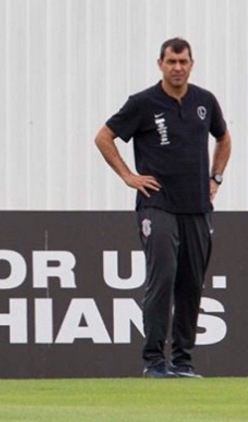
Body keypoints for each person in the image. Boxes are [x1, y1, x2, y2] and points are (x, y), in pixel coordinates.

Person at [94, 37, 231, 379]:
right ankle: (154, 361)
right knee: (163, 276)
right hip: (158, 205)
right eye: (171, 61)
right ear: (160, 64)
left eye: (183, 61)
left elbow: (224, 138)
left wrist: (216, 178)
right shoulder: (143, 103)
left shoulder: (204, 101)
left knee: (191, 282)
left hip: (197, 207)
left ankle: (183, 362)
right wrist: (128, 175)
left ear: (191, 63)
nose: (178, 68)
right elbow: (104, 137)